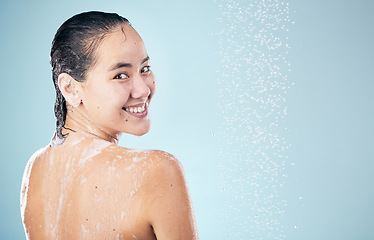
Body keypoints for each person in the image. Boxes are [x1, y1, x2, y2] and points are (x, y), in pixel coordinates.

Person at [20, 11, 198, 240]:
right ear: (70, 88)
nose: (143, 89)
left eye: (144, 69)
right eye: (120, 75)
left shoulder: (35, 169)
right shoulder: (156, 171)